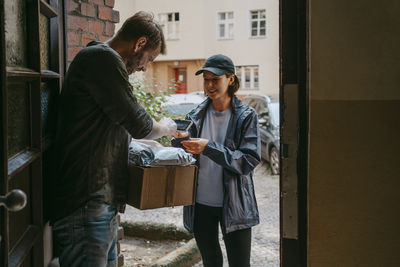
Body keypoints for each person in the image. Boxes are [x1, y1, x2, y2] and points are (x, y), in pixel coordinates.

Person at [51, 11, 177, 267]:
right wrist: (165, 127)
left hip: (97, 205)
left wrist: (134, 144)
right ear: (139, 43)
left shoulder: (99, 62)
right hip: (85, 204)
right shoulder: (102, 60)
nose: (143, 67)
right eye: (148, 59)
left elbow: (101, 126)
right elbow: (140, 123)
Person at [172, 54, 261, 267]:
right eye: (206, 80)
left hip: (235, 204)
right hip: (201, 203)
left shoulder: (246, 116)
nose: (209, 85)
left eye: (215, 79)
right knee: (211, 262)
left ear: (230, 80)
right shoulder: (196, 114)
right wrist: (178, 140)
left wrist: (208, 147)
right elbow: (183, 155)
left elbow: (248, 160)